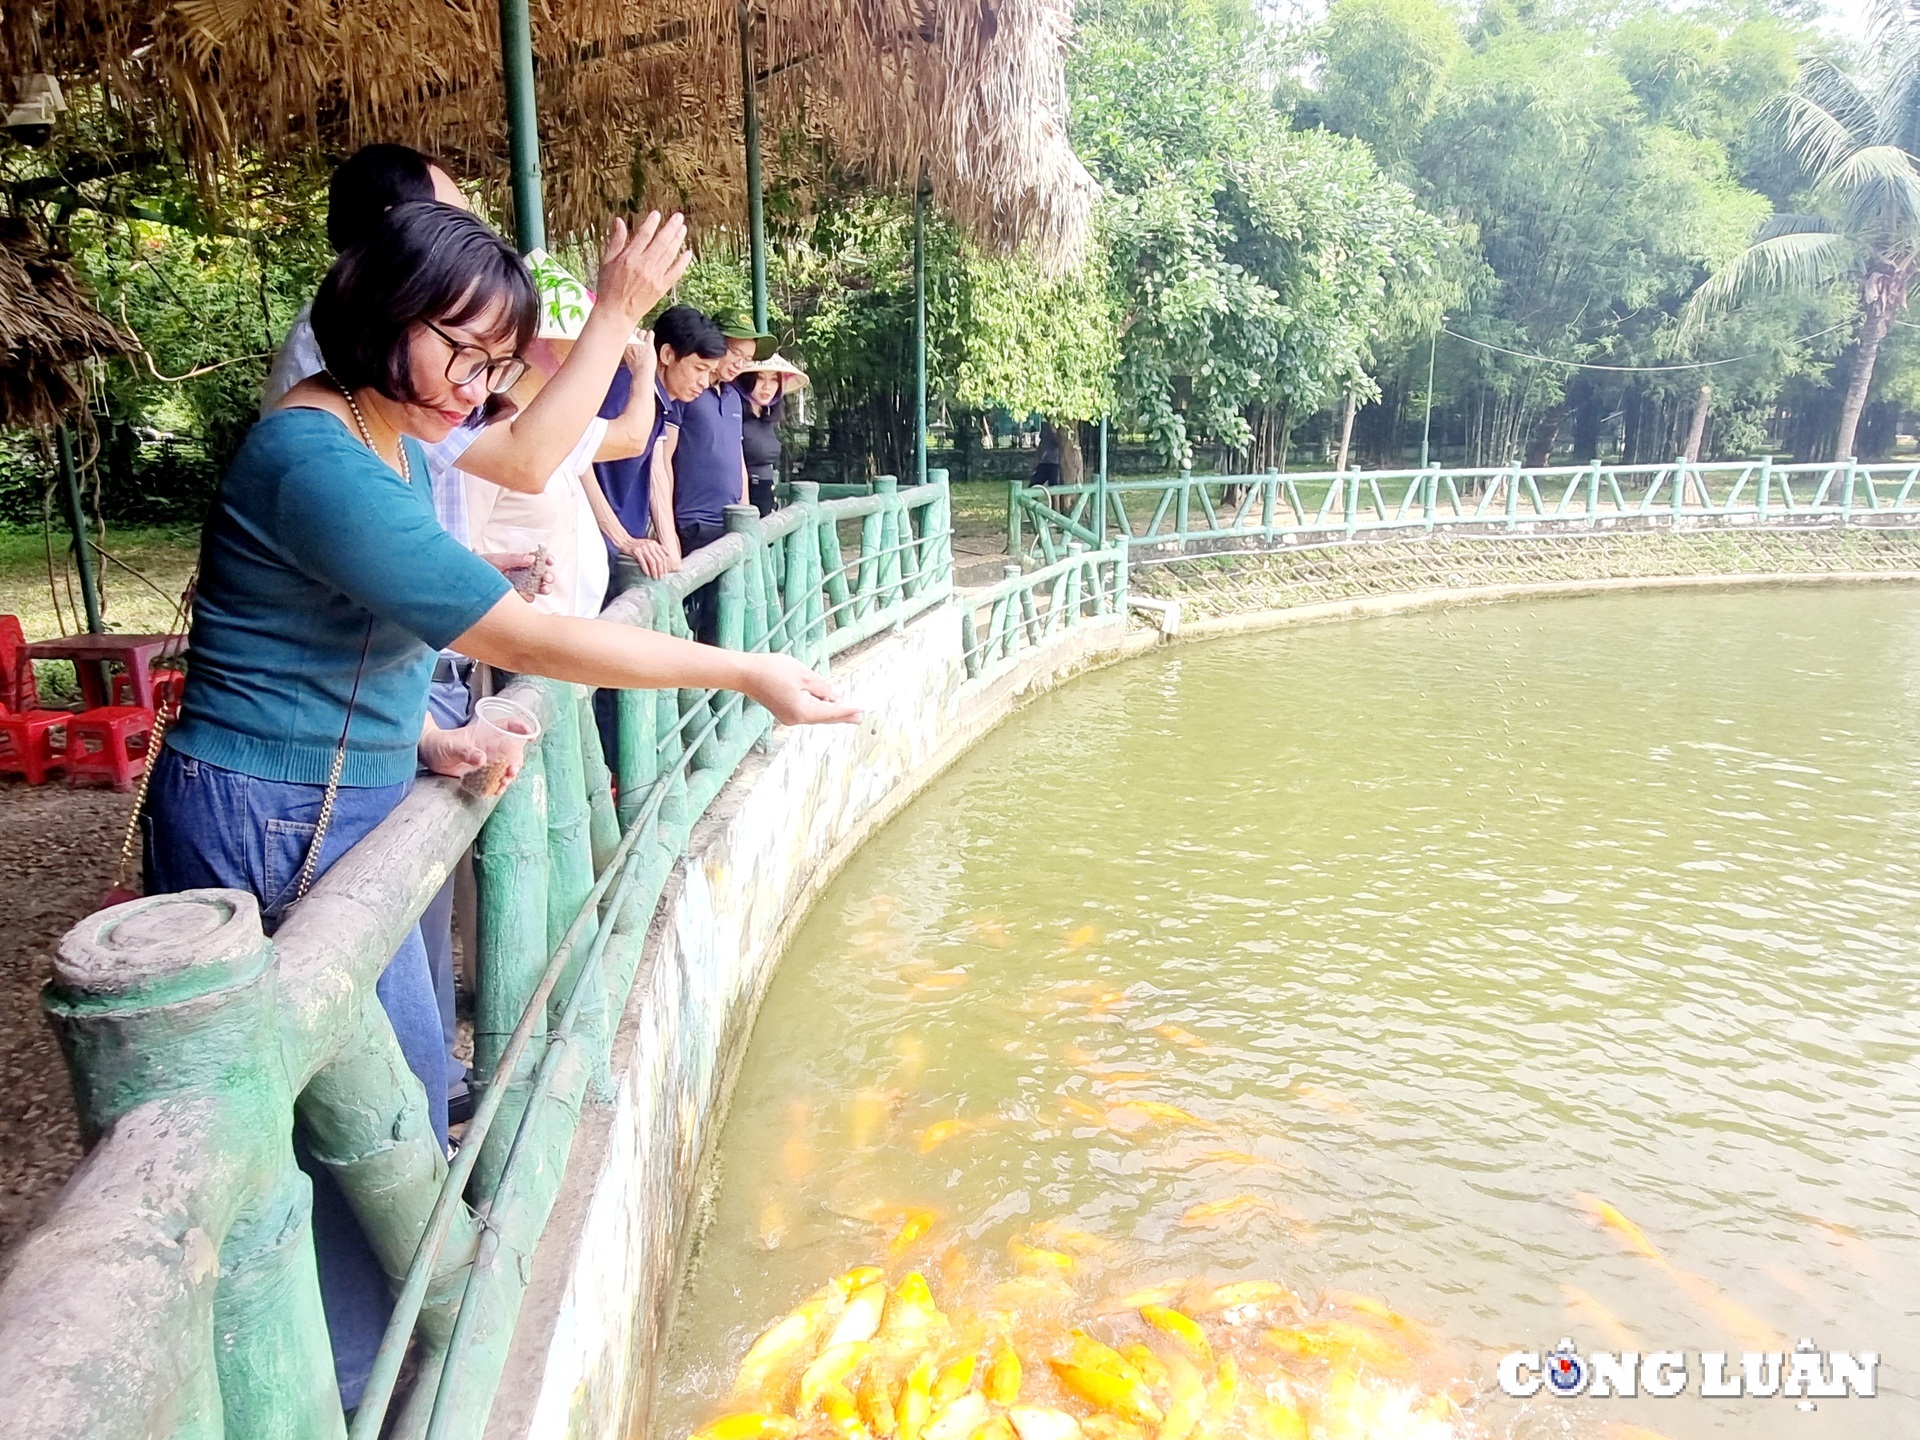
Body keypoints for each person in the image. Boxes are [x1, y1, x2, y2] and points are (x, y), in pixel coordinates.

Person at [145, 201, 857, 1410]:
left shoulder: (397, 438)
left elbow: (335, 639)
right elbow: (510, 631)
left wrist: (434, 731)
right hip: (270, 813)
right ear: (376, 318)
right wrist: (743, 670)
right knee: (331, 1136)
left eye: (493, 363)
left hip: (346, 795)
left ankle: (379, 1365)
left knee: (399, 1105)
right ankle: (349, 1391)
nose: (475, 388)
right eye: (458, 352)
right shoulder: (311, 453)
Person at [735, 354, 808, 516]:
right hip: (743, 500)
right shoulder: (734, 415)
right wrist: (744, 506)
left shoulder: (768, 418)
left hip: (767, 496)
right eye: (760, 378)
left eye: (774, 379)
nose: (767, 386)